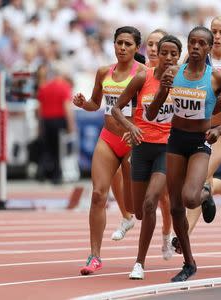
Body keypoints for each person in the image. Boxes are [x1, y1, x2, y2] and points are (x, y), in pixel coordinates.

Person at [153, 26, 221, 282]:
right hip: (175, 141)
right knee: (175, 207)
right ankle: (189, 263)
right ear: (188, 45)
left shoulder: (217, 78)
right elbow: (151, 114)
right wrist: (162, 90)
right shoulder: (173, 73)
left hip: (199, 142)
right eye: (192, 42)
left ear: (208, 48)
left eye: (201, 44)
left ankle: (207, 194)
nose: (195, 47)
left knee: (190, 199)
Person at [74, 26, 146, 275]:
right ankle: (94, 255)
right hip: (108, 138)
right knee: (97, 195)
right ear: (113, 45)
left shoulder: (143, 74)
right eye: (119, 43)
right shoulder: (104, 71)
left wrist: (136, 129)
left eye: (128, 44)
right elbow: (96, 104)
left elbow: (151, 109)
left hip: (132, 141)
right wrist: (84, 104)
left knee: (135, 206)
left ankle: (157, 236)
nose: (123, 48)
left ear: (137, 48)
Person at [111, 34, 182, 280]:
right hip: (142, 148)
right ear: (158, 54)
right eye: (165, 53)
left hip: (167, 149)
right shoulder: (143, 77)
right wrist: (130, 127)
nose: (170, 58)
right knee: (138, 210)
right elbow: (116, 108)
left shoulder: (183, 80)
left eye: (174, 54)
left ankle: (139, 262)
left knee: (152, 201)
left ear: (179, 57)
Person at [183, 15, 221, 251]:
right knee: (197, 183)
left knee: (195, 183)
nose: (216, 36)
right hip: (194, 129)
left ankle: (183, 235)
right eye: (214, 31)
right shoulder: (195, 58)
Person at [37, 62, 76, 184]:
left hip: (46, 121)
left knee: (48, 148)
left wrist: (40, 125)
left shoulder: (44, 87)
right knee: (59, 149)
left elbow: (39, 109)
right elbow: (67, 108)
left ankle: (44, 173)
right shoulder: (64, 87)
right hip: (59, 121)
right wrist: (71, 125)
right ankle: (56, 175)